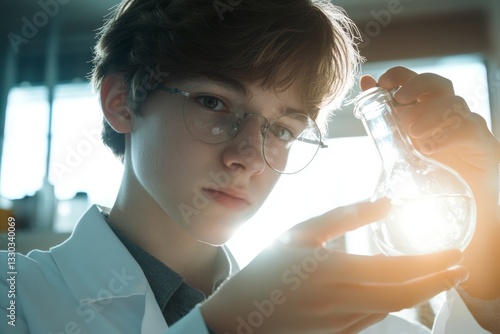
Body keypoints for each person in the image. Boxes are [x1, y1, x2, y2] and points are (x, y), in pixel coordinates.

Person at [1, 0, 499, 333]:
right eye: (214, 103)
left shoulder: (344, 322)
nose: (246, 156)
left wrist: (488, 266)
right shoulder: (14, 296)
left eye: (282, 129)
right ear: (121, 101)